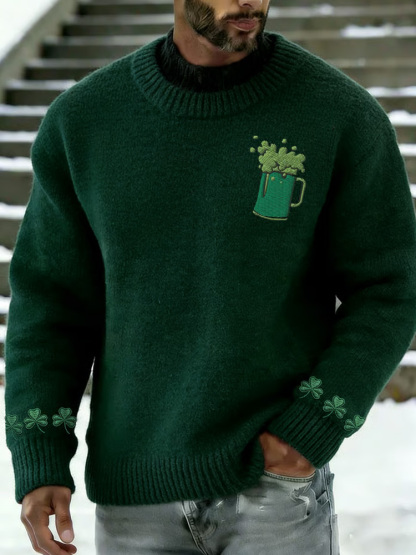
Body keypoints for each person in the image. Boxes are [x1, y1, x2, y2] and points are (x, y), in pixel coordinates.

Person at [4, 0, 416, 553]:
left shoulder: (337, 114)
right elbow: (51, 304)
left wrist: (311, 428)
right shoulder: (85, 121)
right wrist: (40, 456)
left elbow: (390, 286)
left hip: (273, 494)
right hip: (134, 496)